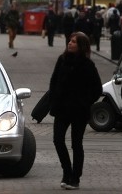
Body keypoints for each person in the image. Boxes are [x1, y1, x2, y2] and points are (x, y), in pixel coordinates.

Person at [47, 32, 102, 190]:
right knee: (58, 140)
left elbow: (97, 89)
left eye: (73, 42)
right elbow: (53, 81)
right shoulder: (62, 60)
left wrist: (84, 102)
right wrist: (53, 101)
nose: (69, 43)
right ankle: (67, 171)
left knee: (76, 144)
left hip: (79, 111)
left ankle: (75, 178)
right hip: (62, 109)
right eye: (70, 41)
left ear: (81, 46)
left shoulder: (87, 65)